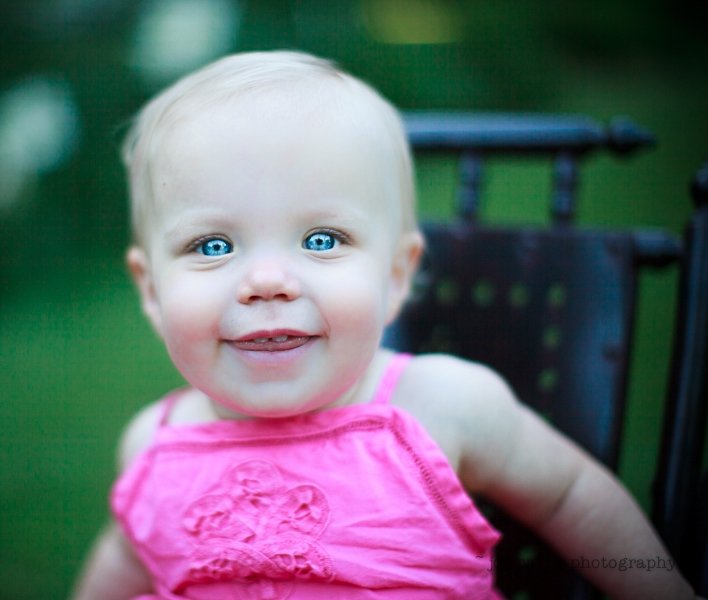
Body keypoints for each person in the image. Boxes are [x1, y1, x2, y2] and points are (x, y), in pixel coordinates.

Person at [72, 50, 699, 599]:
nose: (267, 281)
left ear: (396, 276)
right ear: (151, 291)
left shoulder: (442, 407)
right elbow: (127, 555)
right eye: (212, 246)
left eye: (321, 238)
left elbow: (571, 499)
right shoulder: (152, 446)